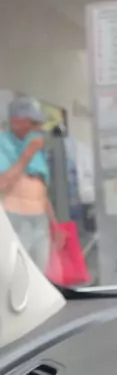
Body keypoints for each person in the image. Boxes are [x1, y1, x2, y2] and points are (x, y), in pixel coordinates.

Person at [0, 96, 62, 273]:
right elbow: (3, 183)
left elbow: (42, 190)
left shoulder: (37, 147)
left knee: (40, 274)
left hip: (40, 222)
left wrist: (54, 224)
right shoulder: (3, 144)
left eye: (38, 123)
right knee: (17, 274)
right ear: (16, 121)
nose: (38, 128)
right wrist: (27, 154)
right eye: (33, 123)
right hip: (15, 220)